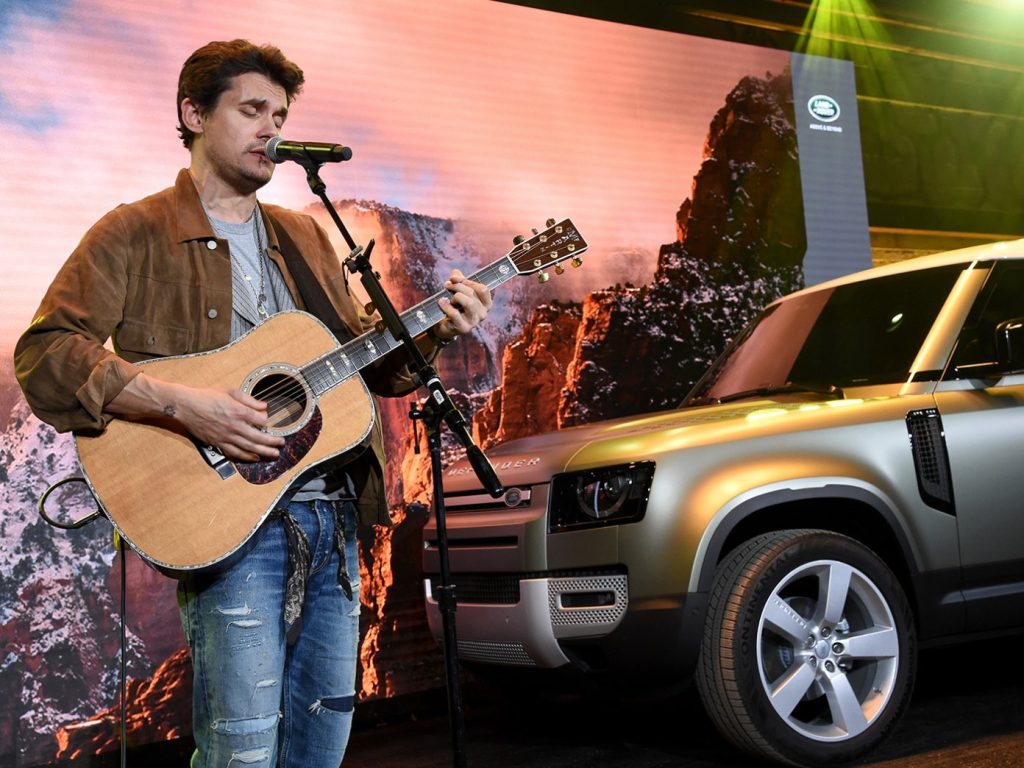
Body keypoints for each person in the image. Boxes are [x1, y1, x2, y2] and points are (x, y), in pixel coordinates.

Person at [14, 39, 492, 767]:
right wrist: (185, 407)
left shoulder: (303, 235)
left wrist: (437, 330)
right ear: (193, 114)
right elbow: (47, 355)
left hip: (333, 520)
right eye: (252, 110)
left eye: (280, 115)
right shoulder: (134, 231)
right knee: (241, 753)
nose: (271, 128)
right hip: (233, 527)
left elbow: (362, 366)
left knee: (321, 746)